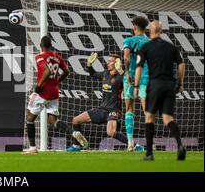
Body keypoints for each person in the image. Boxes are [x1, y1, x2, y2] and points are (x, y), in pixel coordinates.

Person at [67, 53, 141, 151]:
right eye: (108, 60)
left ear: (116, 63)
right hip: (102, 109)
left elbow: (129, 82)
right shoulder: (105, 74)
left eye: (110, 61)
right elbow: (93, 74)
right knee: (76, 120)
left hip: (114, 110)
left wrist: (121, 71)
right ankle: (76, 145)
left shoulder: (121, 77)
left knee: (110, 132)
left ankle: (134, 145)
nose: (108, 63)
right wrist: (89, 65)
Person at [134, 20, 186, 161]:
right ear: (161, 31)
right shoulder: (171, 47)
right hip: (169, 85)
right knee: (168, 118)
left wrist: (136, 86)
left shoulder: (145, 47)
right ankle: (180, 145)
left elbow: (139, 67)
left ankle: (149, 153)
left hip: (155, 85)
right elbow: (181, 65)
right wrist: (180, 83)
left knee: (149, 117)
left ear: (149, 31)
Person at [24, 35, 75, 154]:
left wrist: (38, 86)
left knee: (29, 118)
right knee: (53, 120)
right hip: (54, 92)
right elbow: (67, 71)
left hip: (43, 92)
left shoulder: (40, 56)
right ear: (50, 45)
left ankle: (32, 148)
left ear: (41, 45)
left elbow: (47, 71)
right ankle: (73, 132)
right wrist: (57, 81)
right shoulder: (57, 56)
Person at [122, 16, 150, 151]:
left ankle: (130, 143)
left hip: (131, 78)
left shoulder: (128, 40)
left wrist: (127, 73)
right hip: (146, 78)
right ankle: (151, 142)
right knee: (147, 110)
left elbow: (126, 57)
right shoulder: (150, 42)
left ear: (134, 27)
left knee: (129, 109)